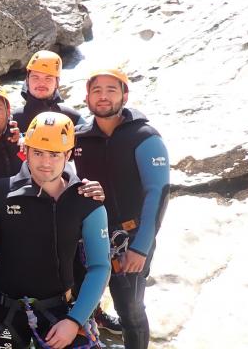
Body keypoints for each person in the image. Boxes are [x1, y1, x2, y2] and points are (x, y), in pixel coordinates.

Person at [0, 112, 111, 349]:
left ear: (67, 155)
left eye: (55, 154)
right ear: (26, 151)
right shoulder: (1, 191)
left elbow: (100, 267)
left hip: (61, 312)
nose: (45, 162)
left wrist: (74, 321)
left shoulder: (86, 199)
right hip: (7, 312)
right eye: (38, 152)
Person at [73, 68, 170, 349]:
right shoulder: (79, 137)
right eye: (96, 91)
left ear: (125, 95)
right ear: (88, 97)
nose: (103, 97)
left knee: (131, 309)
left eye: (111, 90)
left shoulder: (144, 136)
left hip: (130, 238)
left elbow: (158, 193)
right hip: (89, 236)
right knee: (82, 303)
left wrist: (141, 247)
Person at [11, 50, 85, 133]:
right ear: (27, 80)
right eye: (35, 77)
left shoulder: (74, 120)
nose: (42, 83)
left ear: (57, 83)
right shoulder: (12, 121)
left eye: (48, 78)